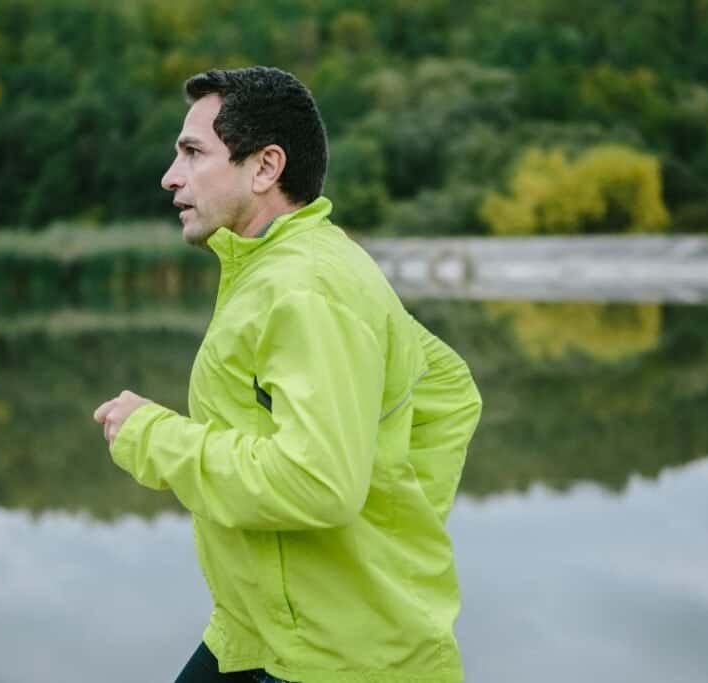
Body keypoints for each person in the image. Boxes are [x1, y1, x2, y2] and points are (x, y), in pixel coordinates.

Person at [93, 66, 482, 683]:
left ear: (265, 167)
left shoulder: (305, 285)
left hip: (338, 656)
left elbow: (319, 482)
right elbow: (448, 392)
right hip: (257, 630)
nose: (170, 176)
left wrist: (152, 437)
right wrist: (384, 530)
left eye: (193, 153)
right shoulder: (288, 265)